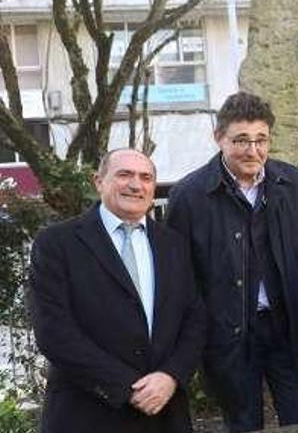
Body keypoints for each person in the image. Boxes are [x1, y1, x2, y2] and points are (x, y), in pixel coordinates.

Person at [166, 91, 298, 432]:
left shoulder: (292, 183)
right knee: (243, 425)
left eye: (261, 140)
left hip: (288, 328)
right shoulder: (188, 196)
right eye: (241, 140)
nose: (253, 151)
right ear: (219, 138)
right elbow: (177, 277)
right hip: (227, 335)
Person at [28, 149, 205, 433]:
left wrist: (171, 375)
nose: (136, 185)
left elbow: (194, 319)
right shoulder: (56, 244)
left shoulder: (174, 244)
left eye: (146, 177)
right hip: (87, 413)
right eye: (124, 174)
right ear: (98, 181)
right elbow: (53, 330)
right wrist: (126, 387)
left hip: (165, 413)